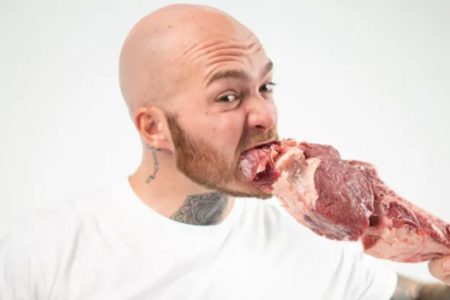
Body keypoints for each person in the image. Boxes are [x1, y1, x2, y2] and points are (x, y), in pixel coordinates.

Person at [1, 4, 449, 299]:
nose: (264, 115)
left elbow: (408, 295)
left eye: (265, 86)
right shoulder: (39, 255)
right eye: (228, 97)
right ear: (154, 127)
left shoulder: (310, 236)